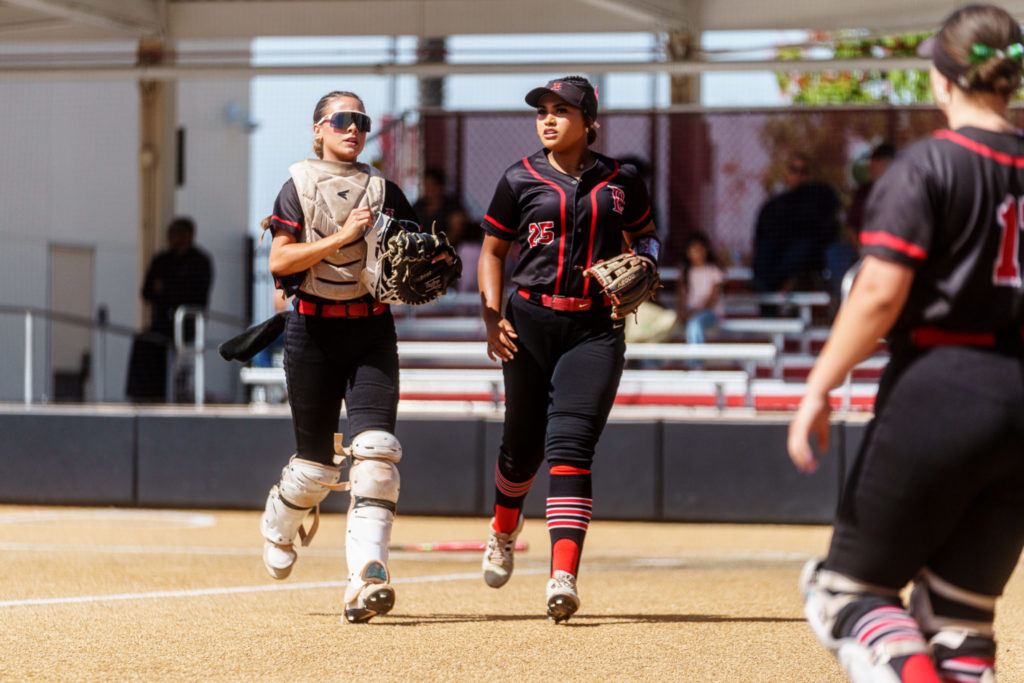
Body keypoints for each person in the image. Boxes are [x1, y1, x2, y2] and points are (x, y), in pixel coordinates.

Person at [789, 6, 1024, 681]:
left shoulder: (928, 164)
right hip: (1020, 399)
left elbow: (879, 294)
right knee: (959, 620)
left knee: (847, 594)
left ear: (941, 79)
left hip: (941, 386)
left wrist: (818, 385)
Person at [477, 75, 659, 623]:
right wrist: (490, 318)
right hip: (528, 322)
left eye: (562, 111)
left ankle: (563, 576)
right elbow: (492, 253)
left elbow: (647, 235)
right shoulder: (519, 178)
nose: (549, 120)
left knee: (570, 446)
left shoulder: (621, 180)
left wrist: (648, 260)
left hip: (595, 327)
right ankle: (503, 529)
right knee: (521, 448)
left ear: (589, 122)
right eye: (543, 112)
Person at [259, 90, 421, 624]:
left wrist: (431, 263)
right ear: (318, 130)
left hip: (371, 329)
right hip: (312, 330)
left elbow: (420, 251)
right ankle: (278, 525)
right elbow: (280, 262)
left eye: (362, 121)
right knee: (314, 470)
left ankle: (366, 578)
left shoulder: (385, 190)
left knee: (377, 457)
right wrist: (345, 236)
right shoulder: (298, 185)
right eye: (342, 120)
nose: (354, 129)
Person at [126, 216, 213, 402]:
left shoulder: (200, 262)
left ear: (190, 235)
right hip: (162, 322)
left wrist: (167, 290)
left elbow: (196, 295)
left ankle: (163, 394)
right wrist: (167, 292)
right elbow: (147, 292)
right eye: (172, 233)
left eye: (179, 233)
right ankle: (142, 395)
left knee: (160, 346)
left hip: (186, 323)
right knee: (143, 342)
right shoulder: (161, 260)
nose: (175, 238)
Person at [751, 153, 839, 303]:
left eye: (803, 171)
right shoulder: (774, 205)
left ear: (809, 174)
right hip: (775, 259)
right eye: (793, 170)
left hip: (802, 260)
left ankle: (773, 286)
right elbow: (762, 237)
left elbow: (824, 232)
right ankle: (768, 293)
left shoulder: (820, 196)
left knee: (803, 247)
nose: (798, 175)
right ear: (785, 172)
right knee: (765, 255)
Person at [824, 143, 897, 306]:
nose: (870, 166)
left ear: (888, 162)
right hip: (861, 250)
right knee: (836, 252)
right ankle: (846, 306)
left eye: (876, 161)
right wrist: (862, 250)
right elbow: (850, 227)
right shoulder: (864, 191)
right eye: (871, 161)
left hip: (893, 253)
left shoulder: (904, 189)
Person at [676, 231, 725, 347]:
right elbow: (681, 297)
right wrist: (682, 312)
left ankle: (695, 357)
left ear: (706, 250)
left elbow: (712, 300)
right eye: (694, 250)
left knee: (695, 323)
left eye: (700, 250)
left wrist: (695, 312)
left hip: (710, 312)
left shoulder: (714, 270)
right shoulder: (684, 271)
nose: (697, 254)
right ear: (688, 253)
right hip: (690, 312)